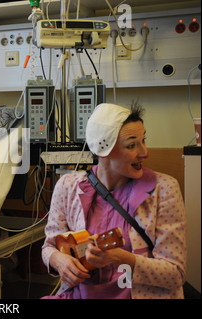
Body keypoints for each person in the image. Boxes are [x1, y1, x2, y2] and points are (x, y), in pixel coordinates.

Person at [42, 102, 186, 299]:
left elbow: (175, 274)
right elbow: (49, 246)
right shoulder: (67, 187)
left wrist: (122, 258)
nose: (145, 152)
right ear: (104, 150)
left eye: (144, 141)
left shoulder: (164, 190)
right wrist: (58, 260)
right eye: (132, 145)